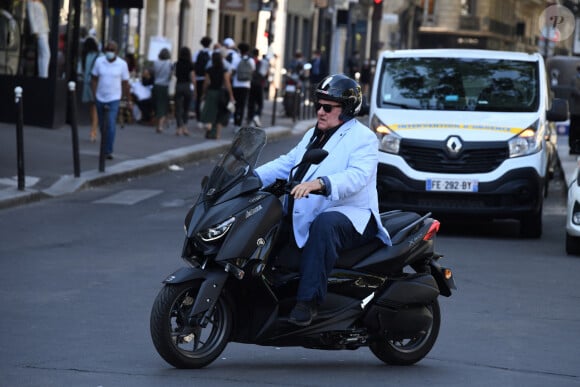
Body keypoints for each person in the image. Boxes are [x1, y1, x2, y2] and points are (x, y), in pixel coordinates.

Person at [255, 74, 391, 326]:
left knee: (325, 225)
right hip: (313, 209)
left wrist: (322, 184)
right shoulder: (313, 134)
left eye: (327, 107)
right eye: (318, 104)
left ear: (347, 110)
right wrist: (249, 177)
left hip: (353, 214)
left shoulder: (363, 138)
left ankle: (308, 303)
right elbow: (287, 163)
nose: (320, 111)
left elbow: (357, 177)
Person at [91, 40, 131, 160]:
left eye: (112, 50)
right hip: (100, 97)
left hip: (114, 98)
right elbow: (93, 78)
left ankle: (108, 150)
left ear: (117, 52)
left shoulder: (122, 64)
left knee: (111, 123)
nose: (110, 52)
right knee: (102, 125)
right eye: (108, 49)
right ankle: (105, 145)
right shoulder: (99, 61)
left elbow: (125, 83)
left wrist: (125, 98)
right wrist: (94, 94)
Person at [199, 51, 235, 139]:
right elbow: (227, 83)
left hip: (211, 92)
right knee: (220, 114)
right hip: (220, 93)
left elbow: (206, 82)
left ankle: (209, 130)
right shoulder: (224, 70)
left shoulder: (209, 70)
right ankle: (217, 134)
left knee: (210, 112)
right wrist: (231, 95)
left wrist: (203, 93)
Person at [80, 36, 101, 142]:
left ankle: (93, 129)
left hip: (85, 84)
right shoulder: (99, 56)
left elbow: (80, 71)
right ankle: (93, 130)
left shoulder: (83, 56)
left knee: (91, 107)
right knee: (95, 107)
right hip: (95, 83)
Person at [231, 42, 255, 127]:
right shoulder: (251, 60)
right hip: (246, 85)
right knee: (242, 104)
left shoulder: (236, 59)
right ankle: (239, 124)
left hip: (236, 84)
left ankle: (235, 121)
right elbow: (252, 71)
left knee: (236, 104)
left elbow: (232, 71)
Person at [174, 46, 195, 136]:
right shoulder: (190, 64)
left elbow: (175, 74)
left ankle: (178, 128)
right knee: (186, 107)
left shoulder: (177, 63)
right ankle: (185, 127)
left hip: (179, 85)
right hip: (187, 85)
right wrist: (194, 87)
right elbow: (192, 76)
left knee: (178, 107)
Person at [26, 0, 50, 78]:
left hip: (44, 30)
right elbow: (31, 16)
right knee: (46, 54)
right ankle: (43, 75)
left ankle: (42, 74)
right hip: (40, 32)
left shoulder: (40, 3)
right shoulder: (31, 2)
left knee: (42, 54)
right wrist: (35, 31)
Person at [193, 36, 213, 127]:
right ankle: (206, 119)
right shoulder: (211, 53)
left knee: (198, 99)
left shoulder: (197, 53)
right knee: (207, 99)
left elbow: (193, 65)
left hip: (198, 78)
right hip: (208, 80)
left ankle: (199, 119)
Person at [152, 47, 173, 133]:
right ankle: (160, 125)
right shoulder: (169, 64)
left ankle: (158, 124)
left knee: (157, 105)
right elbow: (170, 75)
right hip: (164, 86)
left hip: (156, 85)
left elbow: (153, 73)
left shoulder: (155, 63)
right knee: (163, 106)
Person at [247, 49, 267, 126]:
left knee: (251, 102)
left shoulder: (249, 61)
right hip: (259, 84)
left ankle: (250, 118)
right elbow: (264, 74)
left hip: (251, 84)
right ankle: (256, 116)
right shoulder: (261, 63)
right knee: (260, 103)